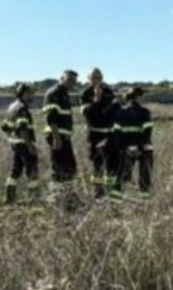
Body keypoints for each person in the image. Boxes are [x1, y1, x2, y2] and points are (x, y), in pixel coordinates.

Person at [79, 68, 120, 199]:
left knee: (112, 164)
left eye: (99, 78)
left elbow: (116, 110)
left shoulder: (108, 91)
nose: (97, 80)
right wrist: (96, 99)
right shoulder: (85, 94)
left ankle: (111, 192)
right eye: (94, 78)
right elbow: (88, 113)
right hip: (95, 135)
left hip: (110, 134)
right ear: (89, 79)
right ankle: (99, 193)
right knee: (98, 165)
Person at [110, 87, 154, 201]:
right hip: (144, 149)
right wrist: (139, 147)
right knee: (145, 175)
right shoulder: (144, 112)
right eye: (142, 96)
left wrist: (123, 148)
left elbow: (116, 133)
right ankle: (145, 201)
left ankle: (115, 201)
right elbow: (147, 132)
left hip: (126, 149)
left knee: (121, 175)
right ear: (137, 97)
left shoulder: (120, 112)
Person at [42, 69, 79, 200]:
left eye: (74, 80)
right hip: (57, 136)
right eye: (69, 79)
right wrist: (56, 138)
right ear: (62, 78)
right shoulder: (55, 92)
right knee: (59, 168)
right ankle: (56, 198)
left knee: (70, 167)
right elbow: (50, 118)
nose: (72, 82)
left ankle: (69, 197)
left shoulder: (63, 93)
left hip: (63, 136)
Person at [1, 84, 39, 204]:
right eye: (31, 93)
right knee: (32, 169)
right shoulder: (22, 108)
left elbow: (5, 127)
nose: (33, 95)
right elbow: (23, 130)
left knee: (16, 169)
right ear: (25, 94)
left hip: (15, 144)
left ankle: (9, 197)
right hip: (23, 144)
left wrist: (11, 138)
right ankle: (33, 198)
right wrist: (30, 146)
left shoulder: (12, 106)